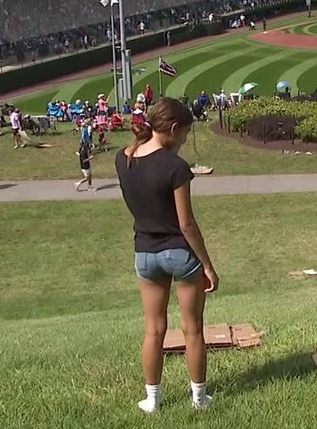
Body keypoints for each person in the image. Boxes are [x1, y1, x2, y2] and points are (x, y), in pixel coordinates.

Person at [115, 97, 218, 413]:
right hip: (178, 254)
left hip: (144, 254)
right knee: (192, 328)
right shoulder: (176, 167)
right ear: (173, 129)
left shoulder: (124, 158)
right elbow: (185, 223)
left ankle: (152, 400)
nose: (185, 140)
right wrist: (207, 266)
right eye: (185, 133)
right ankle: (199, 399)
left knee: (153, 329)